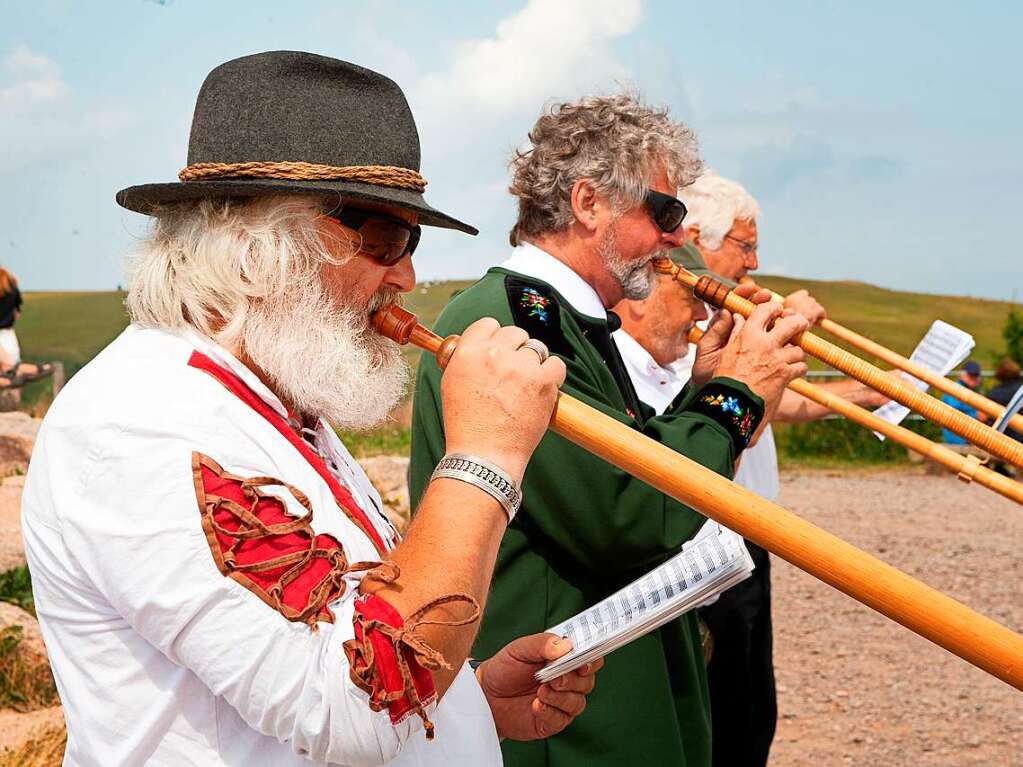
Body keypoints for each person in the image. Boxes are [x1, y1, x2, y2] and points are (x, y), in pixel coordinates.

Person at [21, 52, 605, 767]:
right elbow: (359, 701)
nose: (408, 276)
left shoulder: (268, 404)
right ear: (257, 244)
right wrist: (482, 457)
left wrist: (468, 704)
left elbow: (332, 644)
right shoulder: (142, 424)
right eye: (385, 238)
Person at [409, 93, 810, 767]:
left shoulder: (558, 317)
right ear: (589, 202)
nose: (677, 236)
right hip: (565, 713)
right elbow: (628, 515)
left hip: (594, 687)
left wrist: (701, 391)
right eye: (664, 210)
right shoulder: (516, 324)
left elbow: (623, 464)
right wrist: (738, 396)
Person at [623, 171, 882, 767]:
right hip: (703, 538)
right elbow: (719, 439)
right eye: (743, 245)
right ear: (696, 238)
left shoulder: (710, 324)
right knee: (727, 718)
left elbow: (777, 408)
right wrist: (758, 366)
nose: (755, 260)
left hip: (748, 535)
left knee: (751, 711)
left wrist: (874, 391)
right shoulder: (666, 330)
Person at [0, 266, 53, 387]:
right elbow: (17, 312)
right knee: (13, 391)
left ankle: (24, 370)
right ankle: (30, 369)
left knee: (9, 376)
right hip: (9, 338)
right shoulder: (11, 283)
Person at [940, 360, 983, 447]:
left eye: (975, 376)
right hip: (957, 438)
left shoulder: (968, 389)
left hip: (963, 437)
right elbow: (953, 412)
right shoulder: (956, 389)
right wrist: (976, 414)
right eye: (971, 376)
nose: (973, 379)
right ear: (962, 375)